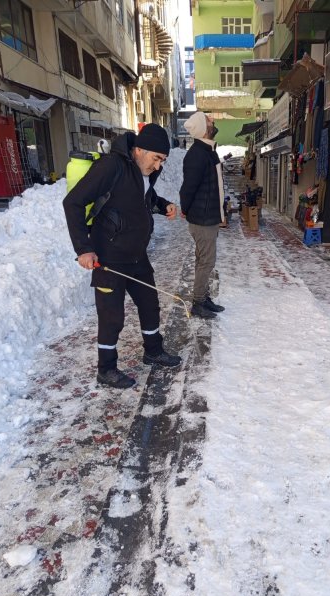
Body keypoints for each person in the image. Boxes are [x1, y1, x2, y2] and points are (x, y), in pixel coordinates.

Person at [62, 123, 183, 389]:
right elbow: (73, 202)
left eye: (163, 160)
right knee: (112, 317)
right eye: (156, 158)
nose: (158, 166)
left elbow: (142, 196)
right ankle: (106, 369)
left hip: (137, 255)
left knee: (150, 305)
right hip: (108, 258)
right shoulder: (111, 167)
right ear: (139, 150)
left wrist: (163, 205)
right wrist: (83, 248)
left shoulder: (145, 172)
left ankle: (153, 351)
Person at [177, 111, 226, 319]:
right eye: (208, 120)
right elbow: (188, 188)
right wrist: (185, 209)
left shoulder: (207, 151)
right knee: (207, 261)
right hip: (203, 218)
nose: (212, 121)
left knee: (203, 260)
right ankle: (198, 303)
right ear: (203, 128)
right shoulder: (197, 154)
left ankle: (203, 298)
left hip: (209, 217)